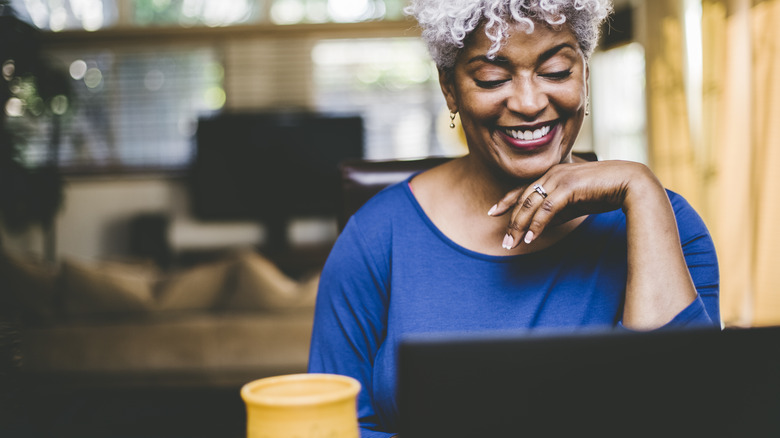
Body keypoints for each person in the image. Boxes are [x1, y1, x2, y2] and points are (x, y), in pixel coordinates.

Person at [308, 0, 720, 436]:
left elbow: (687, 412)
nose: (528, 103)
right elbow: (335, 428)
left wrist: (641, 189)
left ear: (584, 74)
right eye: (492, 77)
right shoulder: (375, 239)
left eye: (557, 71)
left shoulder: (665, 222)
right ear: (450, 88)